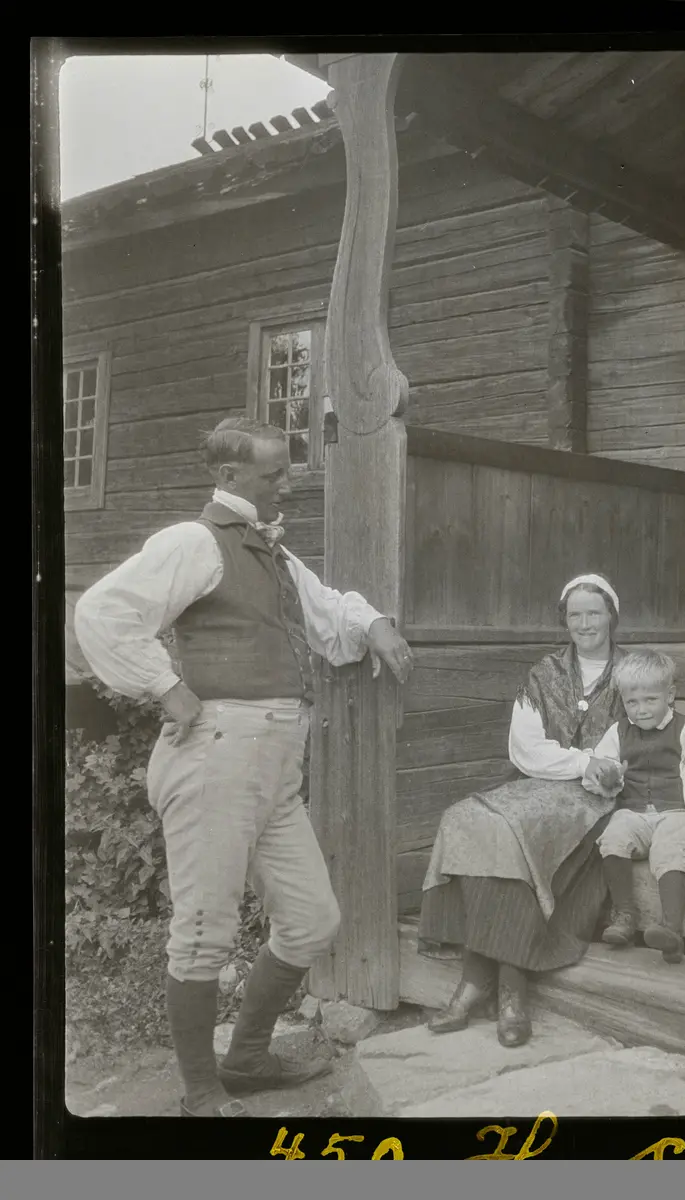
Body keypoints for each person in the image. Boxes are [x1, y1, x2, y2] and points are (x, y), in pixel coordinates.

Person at [73, 417, 414, 1118]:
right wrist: (165, 686)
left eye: (286, 470)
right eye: (273, 473)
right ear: (229, 476)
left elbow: (326, 611)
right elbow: (103, 612)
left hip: (273, 764)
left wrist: (374, 624)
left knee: (312, 920)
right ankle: (201, 1092)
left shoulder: (270, 552)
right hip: (216, 754)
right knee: (204, 930)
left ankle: (248, 1057)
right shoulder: (194, 542)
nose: (286, 482)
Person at [418, 574, 685, 1047]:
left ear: (612, 618)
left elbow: (667, 737)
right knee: (467, 818)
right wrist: (583, 762)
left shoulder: (633, 673)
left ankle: (502, 990)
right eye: (575, 614)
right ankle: (481, 981)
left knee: (514, 835)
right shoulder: (544, 673)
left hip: (604, 797)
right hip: (541, 783)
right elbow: (525, 749)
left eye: (594, 613)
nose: (584, 624)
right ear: (564, 620)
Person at [582, 648, 685, 965]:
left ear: (670, 695)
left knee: (669, 849)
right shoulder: (618, 732)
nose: (641, 710)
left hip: (676, 812)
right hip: (634, 812)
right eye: (632, 702)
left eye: (650, 700)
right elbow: (601, 768)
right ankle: (624, 914)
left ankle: (671, 930)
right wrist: (608, 776)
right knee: (613, 836)